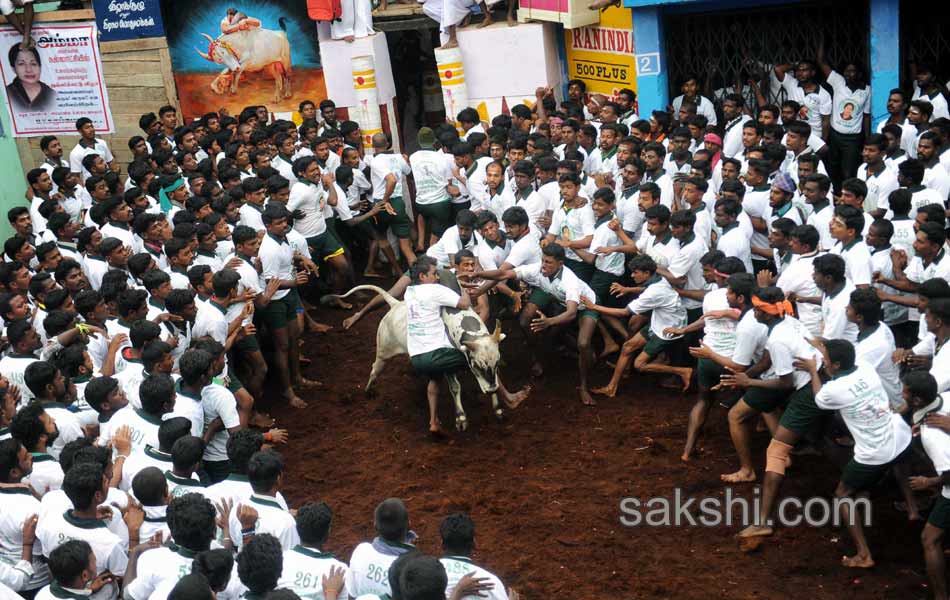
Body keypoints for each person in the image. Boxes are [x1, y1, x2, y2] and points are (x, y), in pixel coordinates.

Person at [404, 257, 473, 434]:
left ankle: (433, 422)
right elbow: (464, 304)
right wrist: (464, 289)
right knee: (476, 356)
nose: (437, 277)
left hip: (416, 357)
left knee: (435, 378)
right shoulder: (435, 289)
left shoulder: (409, 292)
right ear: (422, 276)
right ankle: (504, 396)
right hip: (436, 354)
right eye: (434, 274)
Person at [5, 45, 55, 112]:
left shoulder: (52, 94)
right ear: (13, 68)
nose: (28, 70)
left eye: (33, 64)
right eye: (21, 64)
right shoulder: (6, 93)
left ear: (40, 67)